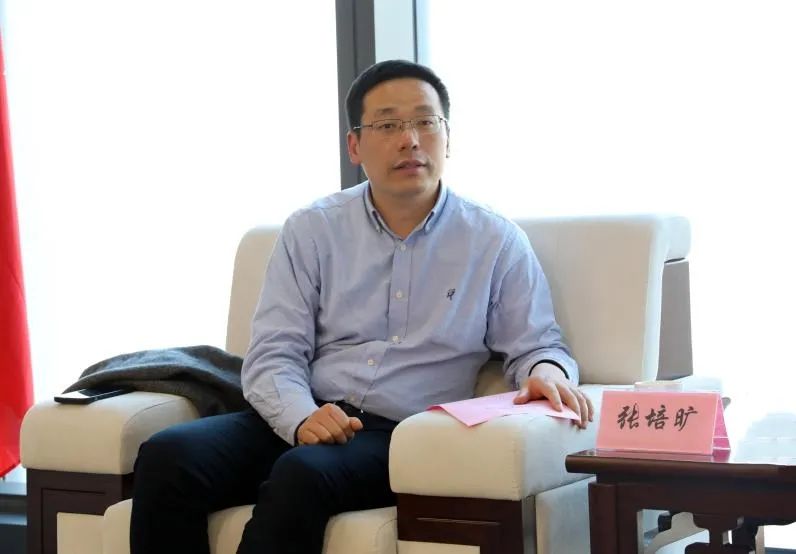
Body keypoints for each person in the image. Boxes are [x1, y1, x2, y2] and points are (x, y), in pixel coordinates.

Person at [130, 59, 594, 554]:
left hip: (401, 433)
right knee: (167, 455)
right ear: (355, 146)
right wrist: (301, 416)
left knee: (303, 473)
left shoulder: (494, 241)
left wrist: (547, 374)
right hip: (307, 410)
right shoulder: (312, 229)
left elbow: (536, 345)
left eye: (425, 121)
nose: (409, 140)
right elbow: (274, 353)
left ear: (447, 138)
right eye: (388, 125)